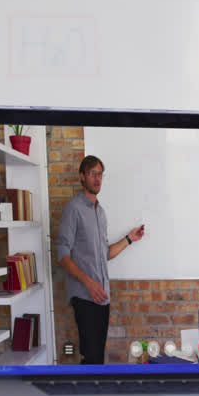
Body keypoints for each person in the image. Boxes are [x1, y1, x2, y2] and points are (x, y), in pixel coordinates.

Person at [55, 155, 145, 364]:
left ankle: (91, 394)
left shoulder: (101, 213)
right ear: (82, 176)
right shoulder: (73, 209)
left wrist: (130, 239)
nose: (97, 179)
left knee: (97, 357)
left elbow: (104, 254)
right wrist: (89, 283)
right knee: (91, 356)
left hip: (102, 297)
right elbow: (62, 254)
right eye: (93, 174)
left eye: (100, 174)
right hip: (85, 296)